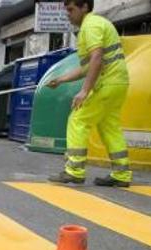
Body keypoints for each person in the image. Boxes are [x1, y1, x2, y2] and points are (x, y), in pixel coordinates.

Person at [46, 0, 131, 187]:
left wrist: (84, 91)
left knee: (78, 119)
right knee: (109, 127)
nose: (68, 14)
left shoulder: (90, 26)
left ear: (84, 7)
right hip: (118, 83)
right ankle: (121, 174)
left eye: (71, 9)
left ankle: (74, 171)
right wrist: (61, 80)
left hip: (107, 83)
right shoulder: (95, 24)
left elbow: (97, 58)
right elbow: (87, 67)